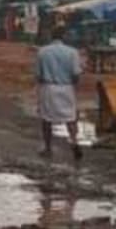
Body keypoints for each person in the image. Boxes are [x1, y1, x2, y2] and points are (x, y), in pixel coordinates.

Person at [36, 24, 83, 160]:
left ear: (51, 36)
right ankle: (74, 141)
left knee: (46, 119)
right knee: (71, 117)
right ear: (65, 36)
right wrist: (73, 84)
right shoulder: (72, 52)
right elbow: (76, 74)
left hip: (49, 88)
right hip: (66, 87)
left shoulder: (42, 52)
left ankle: (48, 147)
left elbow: (38, 75)